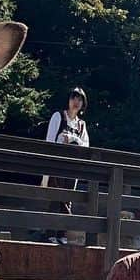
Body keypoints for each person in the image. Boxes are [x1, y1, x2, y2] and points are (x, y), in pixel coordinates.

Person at [40, 87, 89, 244]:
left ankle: (62, 234)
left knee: (68, 199)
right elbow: (49, 141)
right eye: (74, 97)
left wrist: (75, 141)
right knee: (55, 198)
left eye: (80, 99)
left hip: (72, 168)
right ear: (68, 99)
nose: (76, 102)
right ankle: (50, 234)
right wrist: (63, 140)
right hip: (56, 164)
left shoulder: (81, 125)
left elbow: (86, 147)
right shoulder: (58, 116)